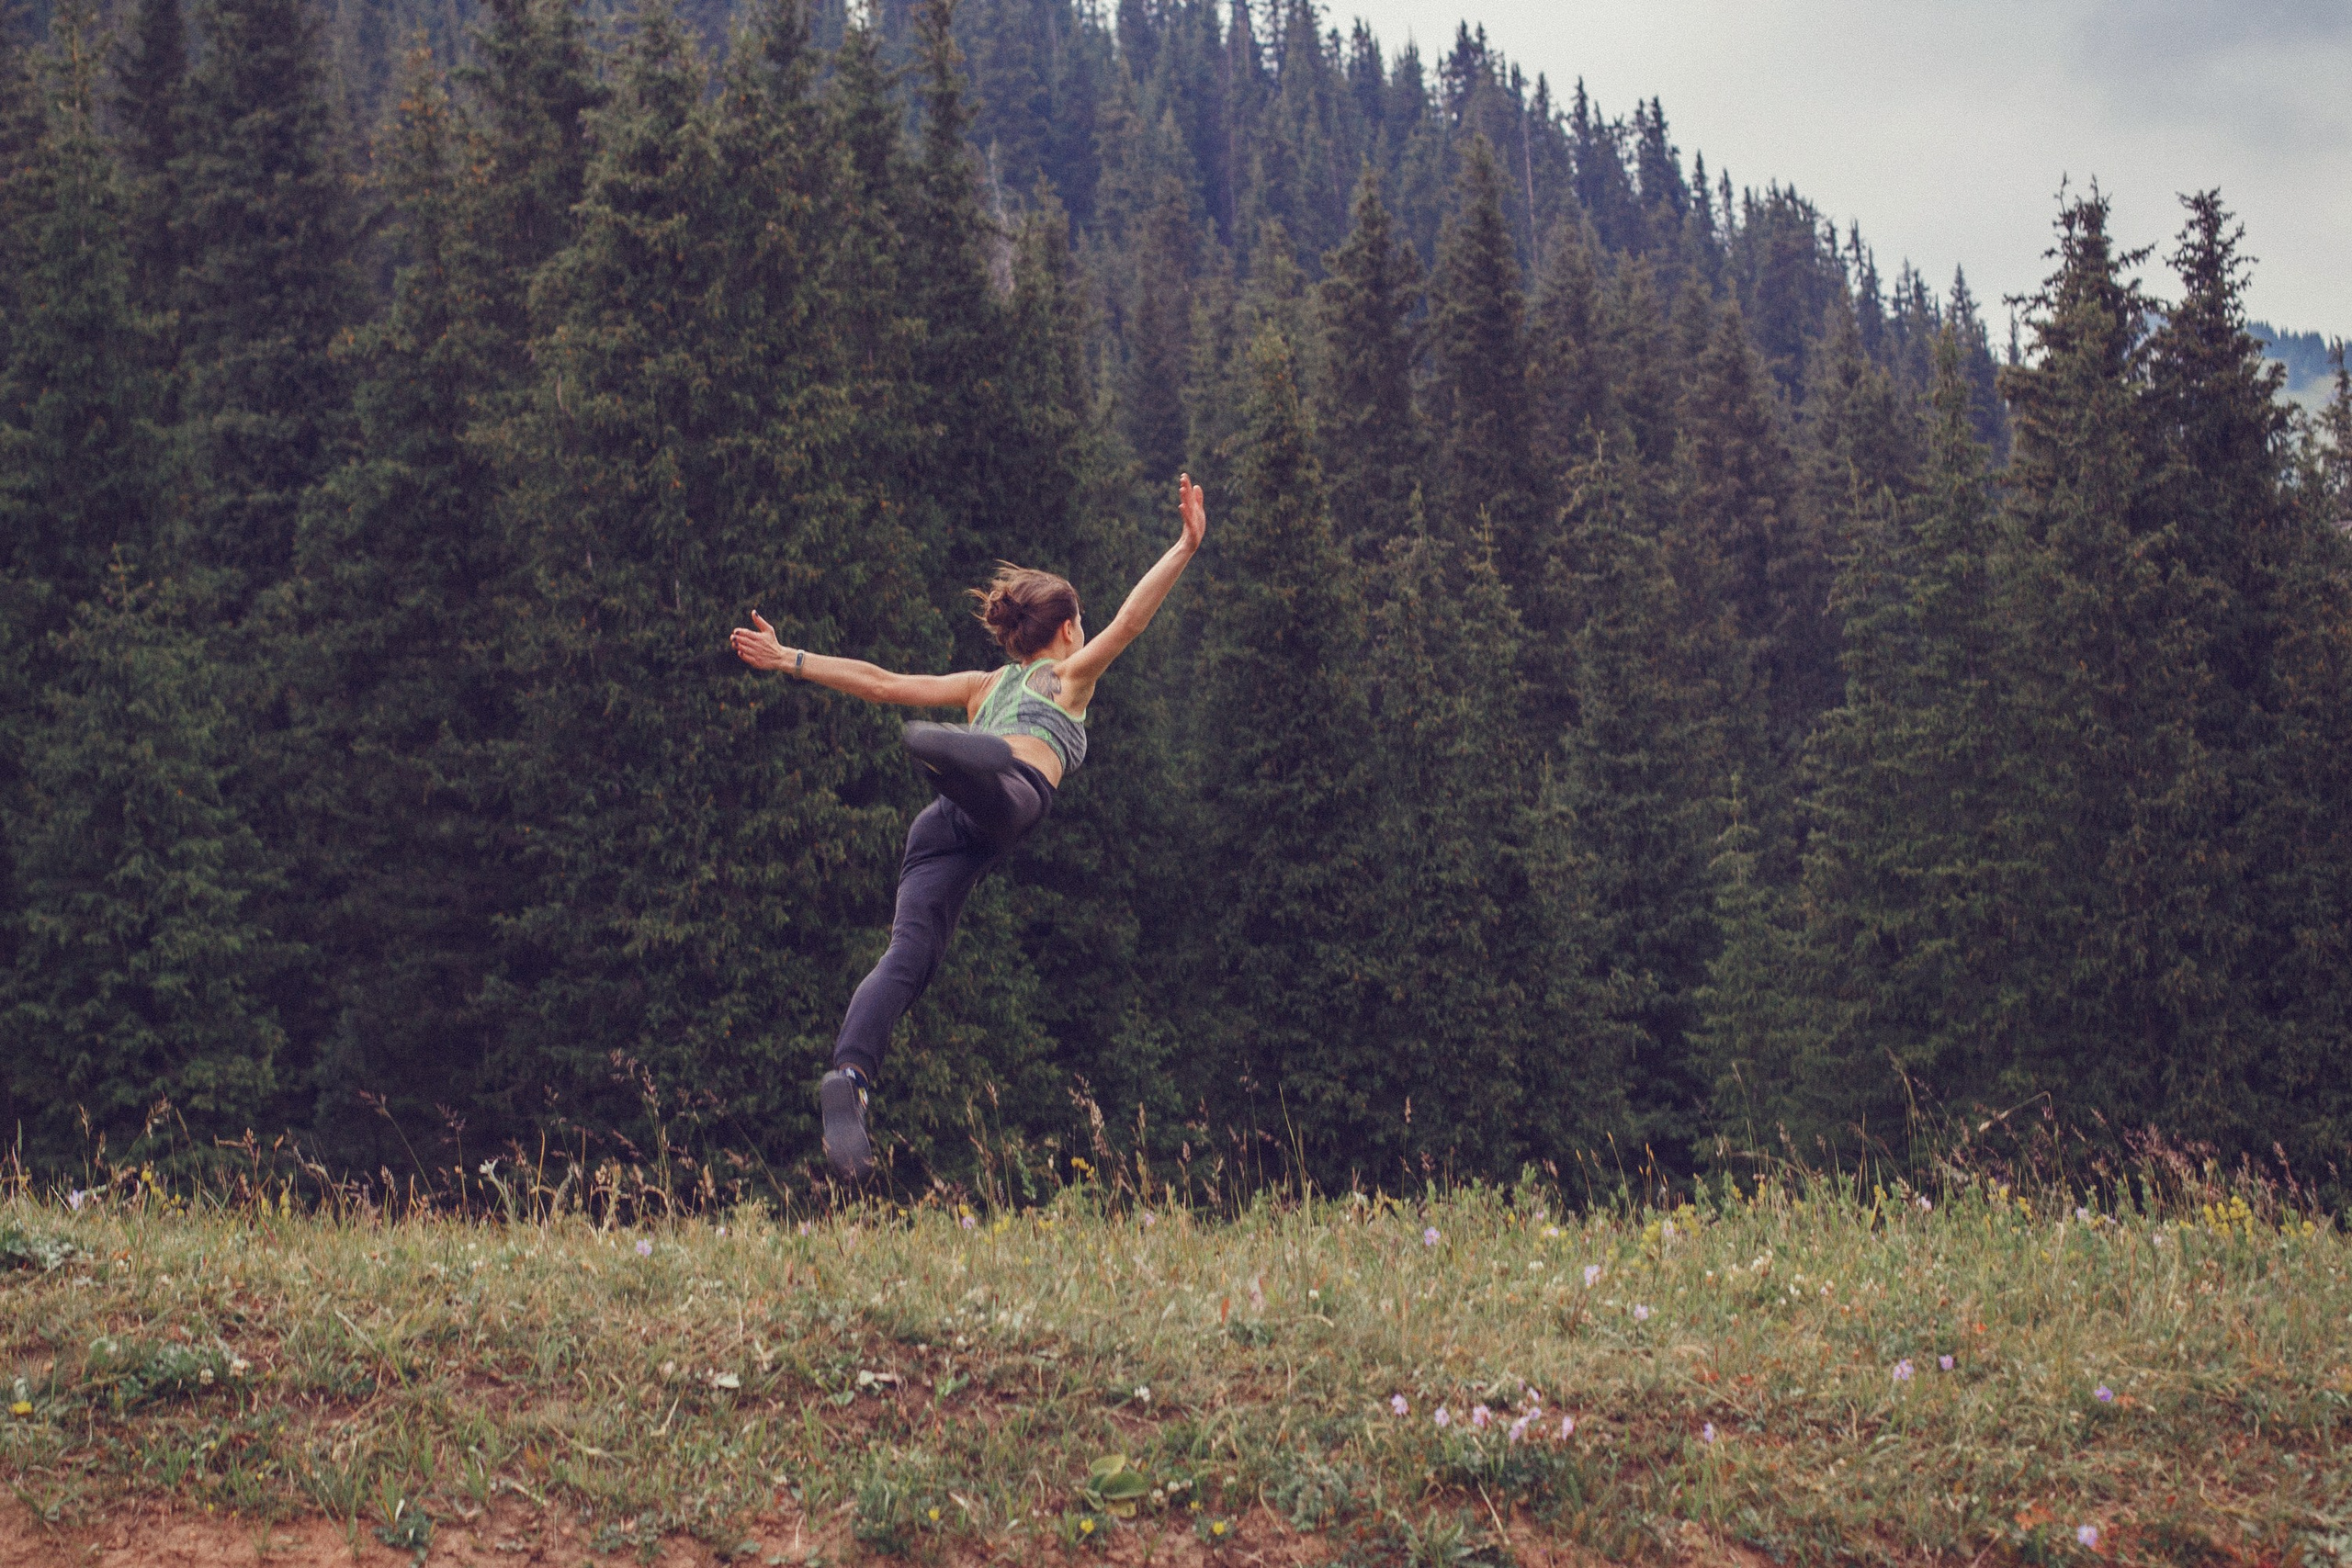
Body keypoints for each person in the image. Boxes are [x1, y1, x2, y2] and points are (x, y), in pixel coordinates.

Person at [729, 475, 1208, 1178]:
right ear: (1069, 628)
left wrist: (790, 658)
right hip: (1005, 799)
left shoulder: (983, 686)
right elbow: (1133, 622)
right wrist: (1186, 545)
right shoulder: (1069, 676)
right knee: (1013, 800)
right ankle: (968, 760)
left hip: (938, 830)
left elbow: (882, 683)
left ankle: (850, 1076)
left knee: (908, 958)